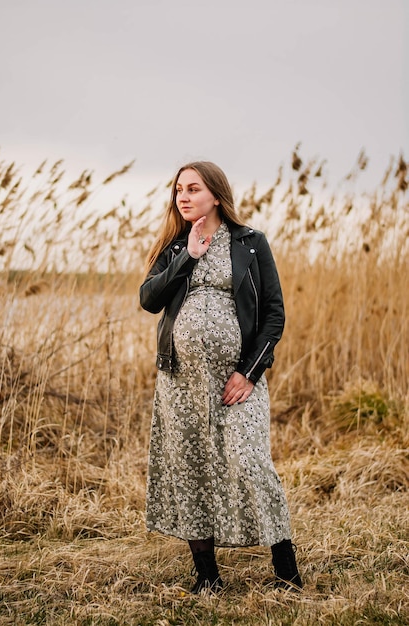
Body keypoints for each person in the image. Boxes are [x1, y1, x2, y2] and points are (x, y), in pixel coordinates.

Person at [139, 161, 302, 593]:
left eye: (193, 188)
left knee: (251, 462)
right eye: (178, 190)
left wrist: (249, 373)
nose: (184, 197)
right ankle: (207, 577)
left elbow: (273, 314)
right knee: (190, 469)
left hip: (236, 382)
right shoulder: (174, 246)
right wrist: (188, 257)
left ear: (216, 194)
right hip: (180, 383)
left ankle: (287, 570)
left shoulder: (250, 242)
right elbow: (149, 300)